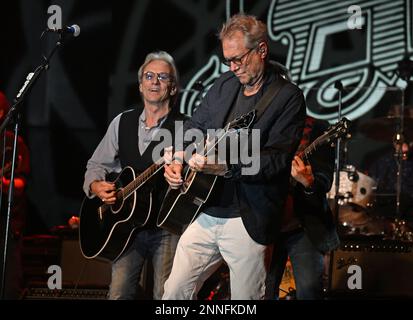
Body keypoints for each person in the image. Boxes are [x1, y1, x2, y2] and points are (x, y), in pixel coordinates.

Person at [162, 14, 306, 300]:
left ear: (261, 50)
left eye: (238, 59)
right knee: (174, 292)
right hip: (204, 209)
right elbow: (195, 125)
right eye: (228, 60)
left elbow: (276, 160)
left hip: (247, 218)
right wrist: (178, 156)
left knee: (245, 301)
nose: (233, 67)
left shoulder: (287, 97)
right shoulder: (226, 83)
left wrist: (227, 166)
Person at [83, 51, 185, 300]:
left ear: (173, 88)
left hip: (167, 226)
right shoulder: (122, 122)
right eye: (149, 76)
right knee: (118, 295)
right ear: (140, 85)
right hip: (127, 228)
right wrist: (96, 185)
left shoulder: (186, 127)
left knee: (166, 295)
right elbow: (96, 163)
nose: (154, 81)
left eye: (163, 77)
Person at [265, 116, 340, 300]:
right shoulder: (265, 121)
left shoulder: (316, 128)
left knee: (309, 291)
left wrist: (308, 182)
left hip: (302, 226)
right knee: (263, 291)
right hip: (266, 224)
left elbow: (324, 179)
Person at [0, 91, 30, 299]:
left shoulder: (13, 143)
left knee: (9, 281)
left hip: (6, 223)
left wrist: (3, 182)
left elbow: (20, 183)